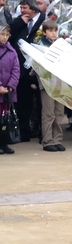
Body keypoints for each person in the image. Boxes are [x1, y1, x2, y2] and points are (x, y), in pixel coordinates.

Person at [9, 0, 45, 142]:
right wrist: (19, 22)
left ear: (33, 8)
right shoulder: (19, 22)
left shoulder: (43, 21)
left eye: (25, 8)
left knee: (41, 104)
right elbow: (8, 36)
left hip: (38, 70)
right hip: (22, 70)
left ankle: (43, 132)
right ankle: (24, 132)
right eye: (21, 8)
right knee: (23, 103)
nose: (22, 11)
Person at [36, 20, 66, 152]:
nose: (54, 33)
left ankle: (57, 139)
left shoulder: (60, 45)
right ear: (44, 32)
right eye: (50, 31)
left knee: (59, 112)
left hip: (60, 83)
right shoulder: (40, 45)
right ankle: (47, 141)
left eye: (55, 30)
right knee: (48, 113)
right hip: (47, 83)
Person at [0, 23, 19, 154]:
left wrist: (11, 85)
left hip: (8, 92)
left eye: (7, 34)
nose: (5, 37)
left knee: (6, 118)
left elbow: (16, 69)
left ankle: (4, 142)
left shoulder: (12, 51)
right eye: (2, 34)